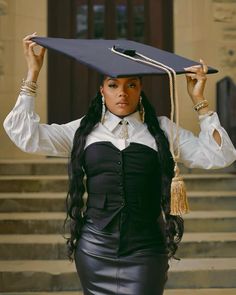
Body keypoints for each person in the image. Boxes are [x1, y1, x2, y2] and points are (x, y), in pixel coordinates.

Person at [3, 33, 236, 295]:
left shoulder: (162, 130)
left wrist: (200, 102)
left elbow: (220, 156)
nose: (122, 93)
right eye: (113, 85)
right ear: (102, 90)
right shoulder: (82, 130)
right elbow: (24, 135)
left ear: (140, 89)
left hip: (146, 249)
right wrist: (33, 73)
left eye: (131, 85)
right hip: (94, 248)